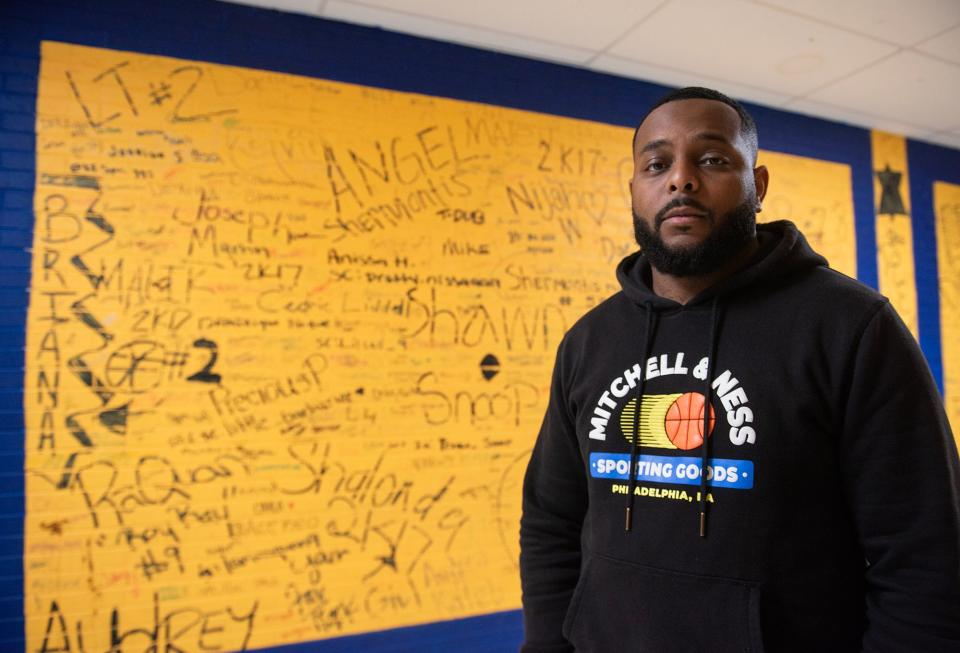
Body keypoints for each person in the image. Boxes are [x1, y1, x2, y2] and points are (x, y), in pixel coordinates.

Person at [519, 87, 960, 652]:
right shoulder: (588, 341)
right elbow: (551, 522)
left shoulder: (850, 327)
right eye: (657, 165)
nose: (681, 179)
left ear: (759, 186)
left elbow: (923, 555)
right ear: (634, 191)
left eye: (711, 159)